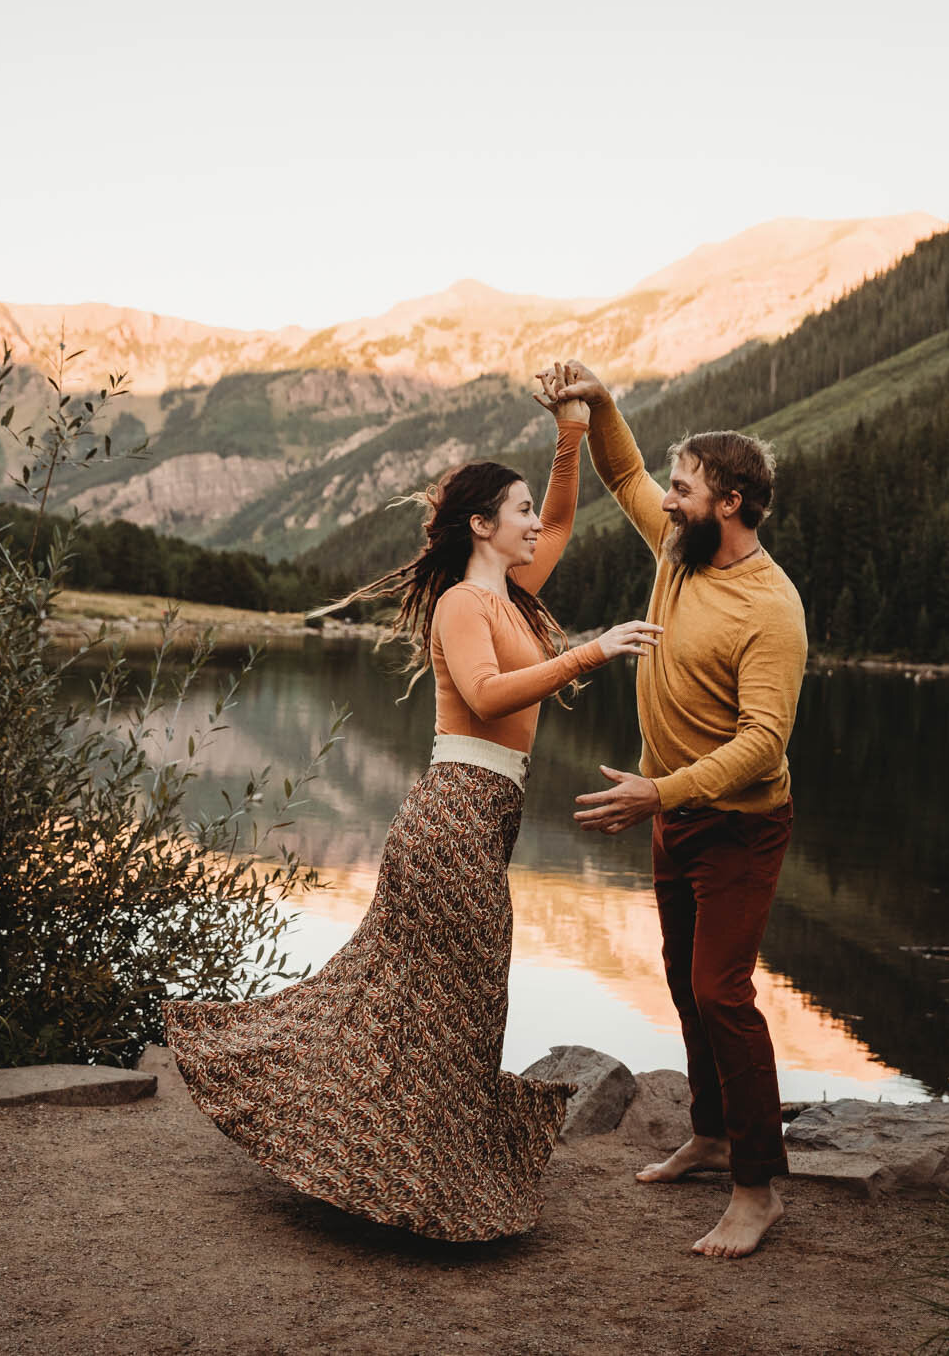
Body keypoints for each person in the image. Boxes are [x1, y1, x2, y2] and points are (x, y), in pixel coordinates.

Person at [161, 379, 662, 1241]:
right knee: (458, 1006)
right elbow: (485, 689)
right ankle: (426, 1190)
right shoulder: (466, 605)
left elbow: (569, 521)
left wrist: (571, 432)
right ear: (481, 525)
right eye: (517, 510)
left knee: (426, 1005)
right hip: (450, 820)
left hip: (479, 818)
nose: (533, 521)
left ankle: (412, 1178)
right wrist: (588, 654)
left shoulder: (509, 594)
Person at [548, 358, 809, 1260]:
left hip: (738, 823)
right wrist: (603, 402)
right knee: (679, 978)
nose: (667, 500)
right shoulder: (677, 549)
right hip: (675, 813)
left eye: (685, 488)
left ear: (729, 502)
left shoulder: (771, 606)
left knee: (721, 991)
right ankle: (710, 1133)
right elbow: (623, 473)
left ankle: (758, 1185)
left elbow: (763, 743)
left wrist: (659, 789)